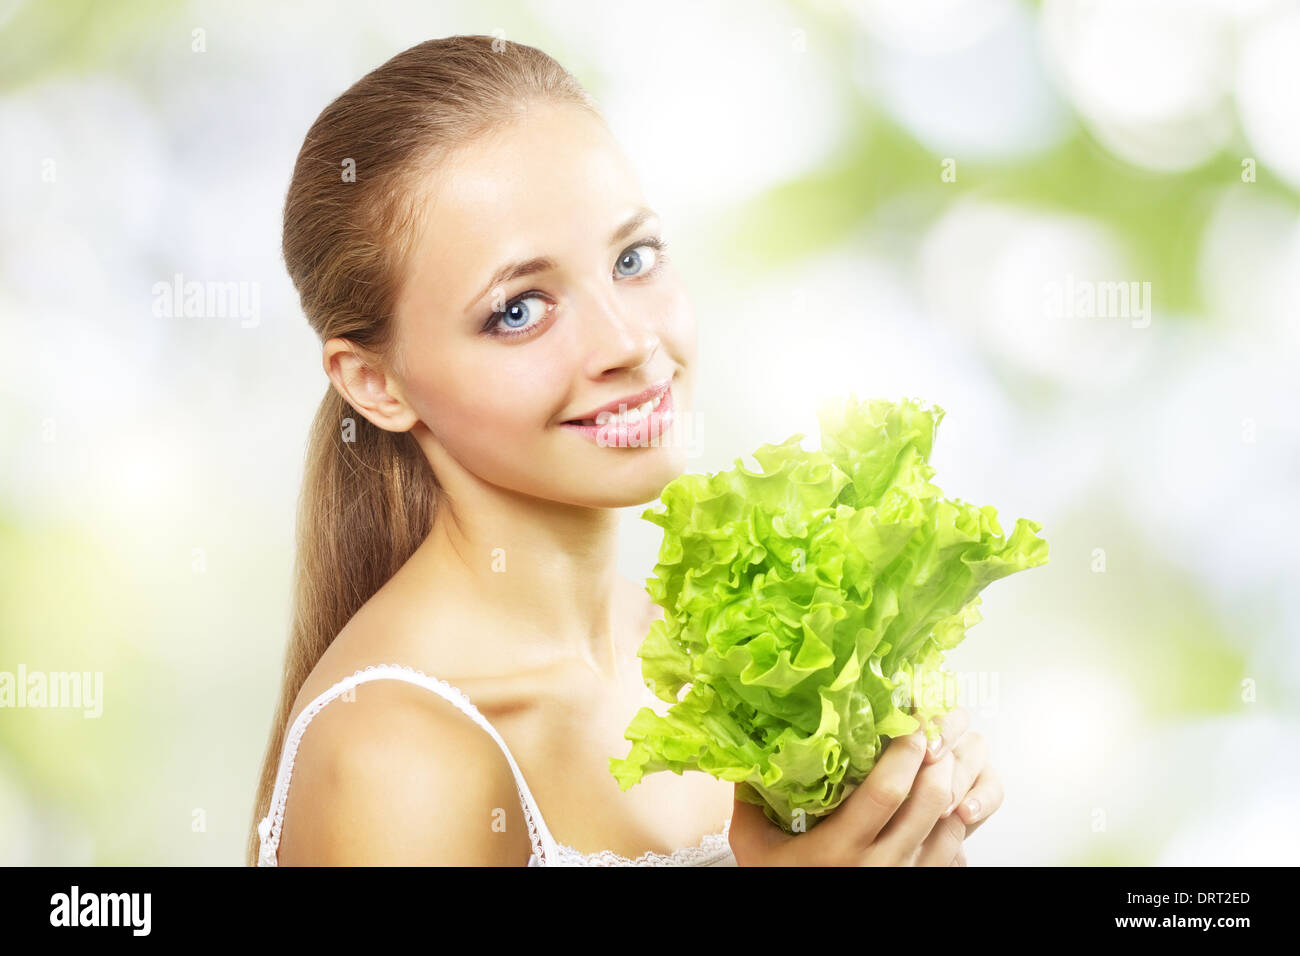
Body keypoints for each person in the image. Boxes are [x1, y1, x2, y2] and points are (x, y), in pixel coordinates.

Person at [247, 34, 1001, 867]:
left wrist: (912, 831)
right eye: (520, 310)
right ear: (374, 384)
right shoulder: (393, 752)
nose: (630, 344)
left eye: (632, 259)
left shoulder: (716, 658)